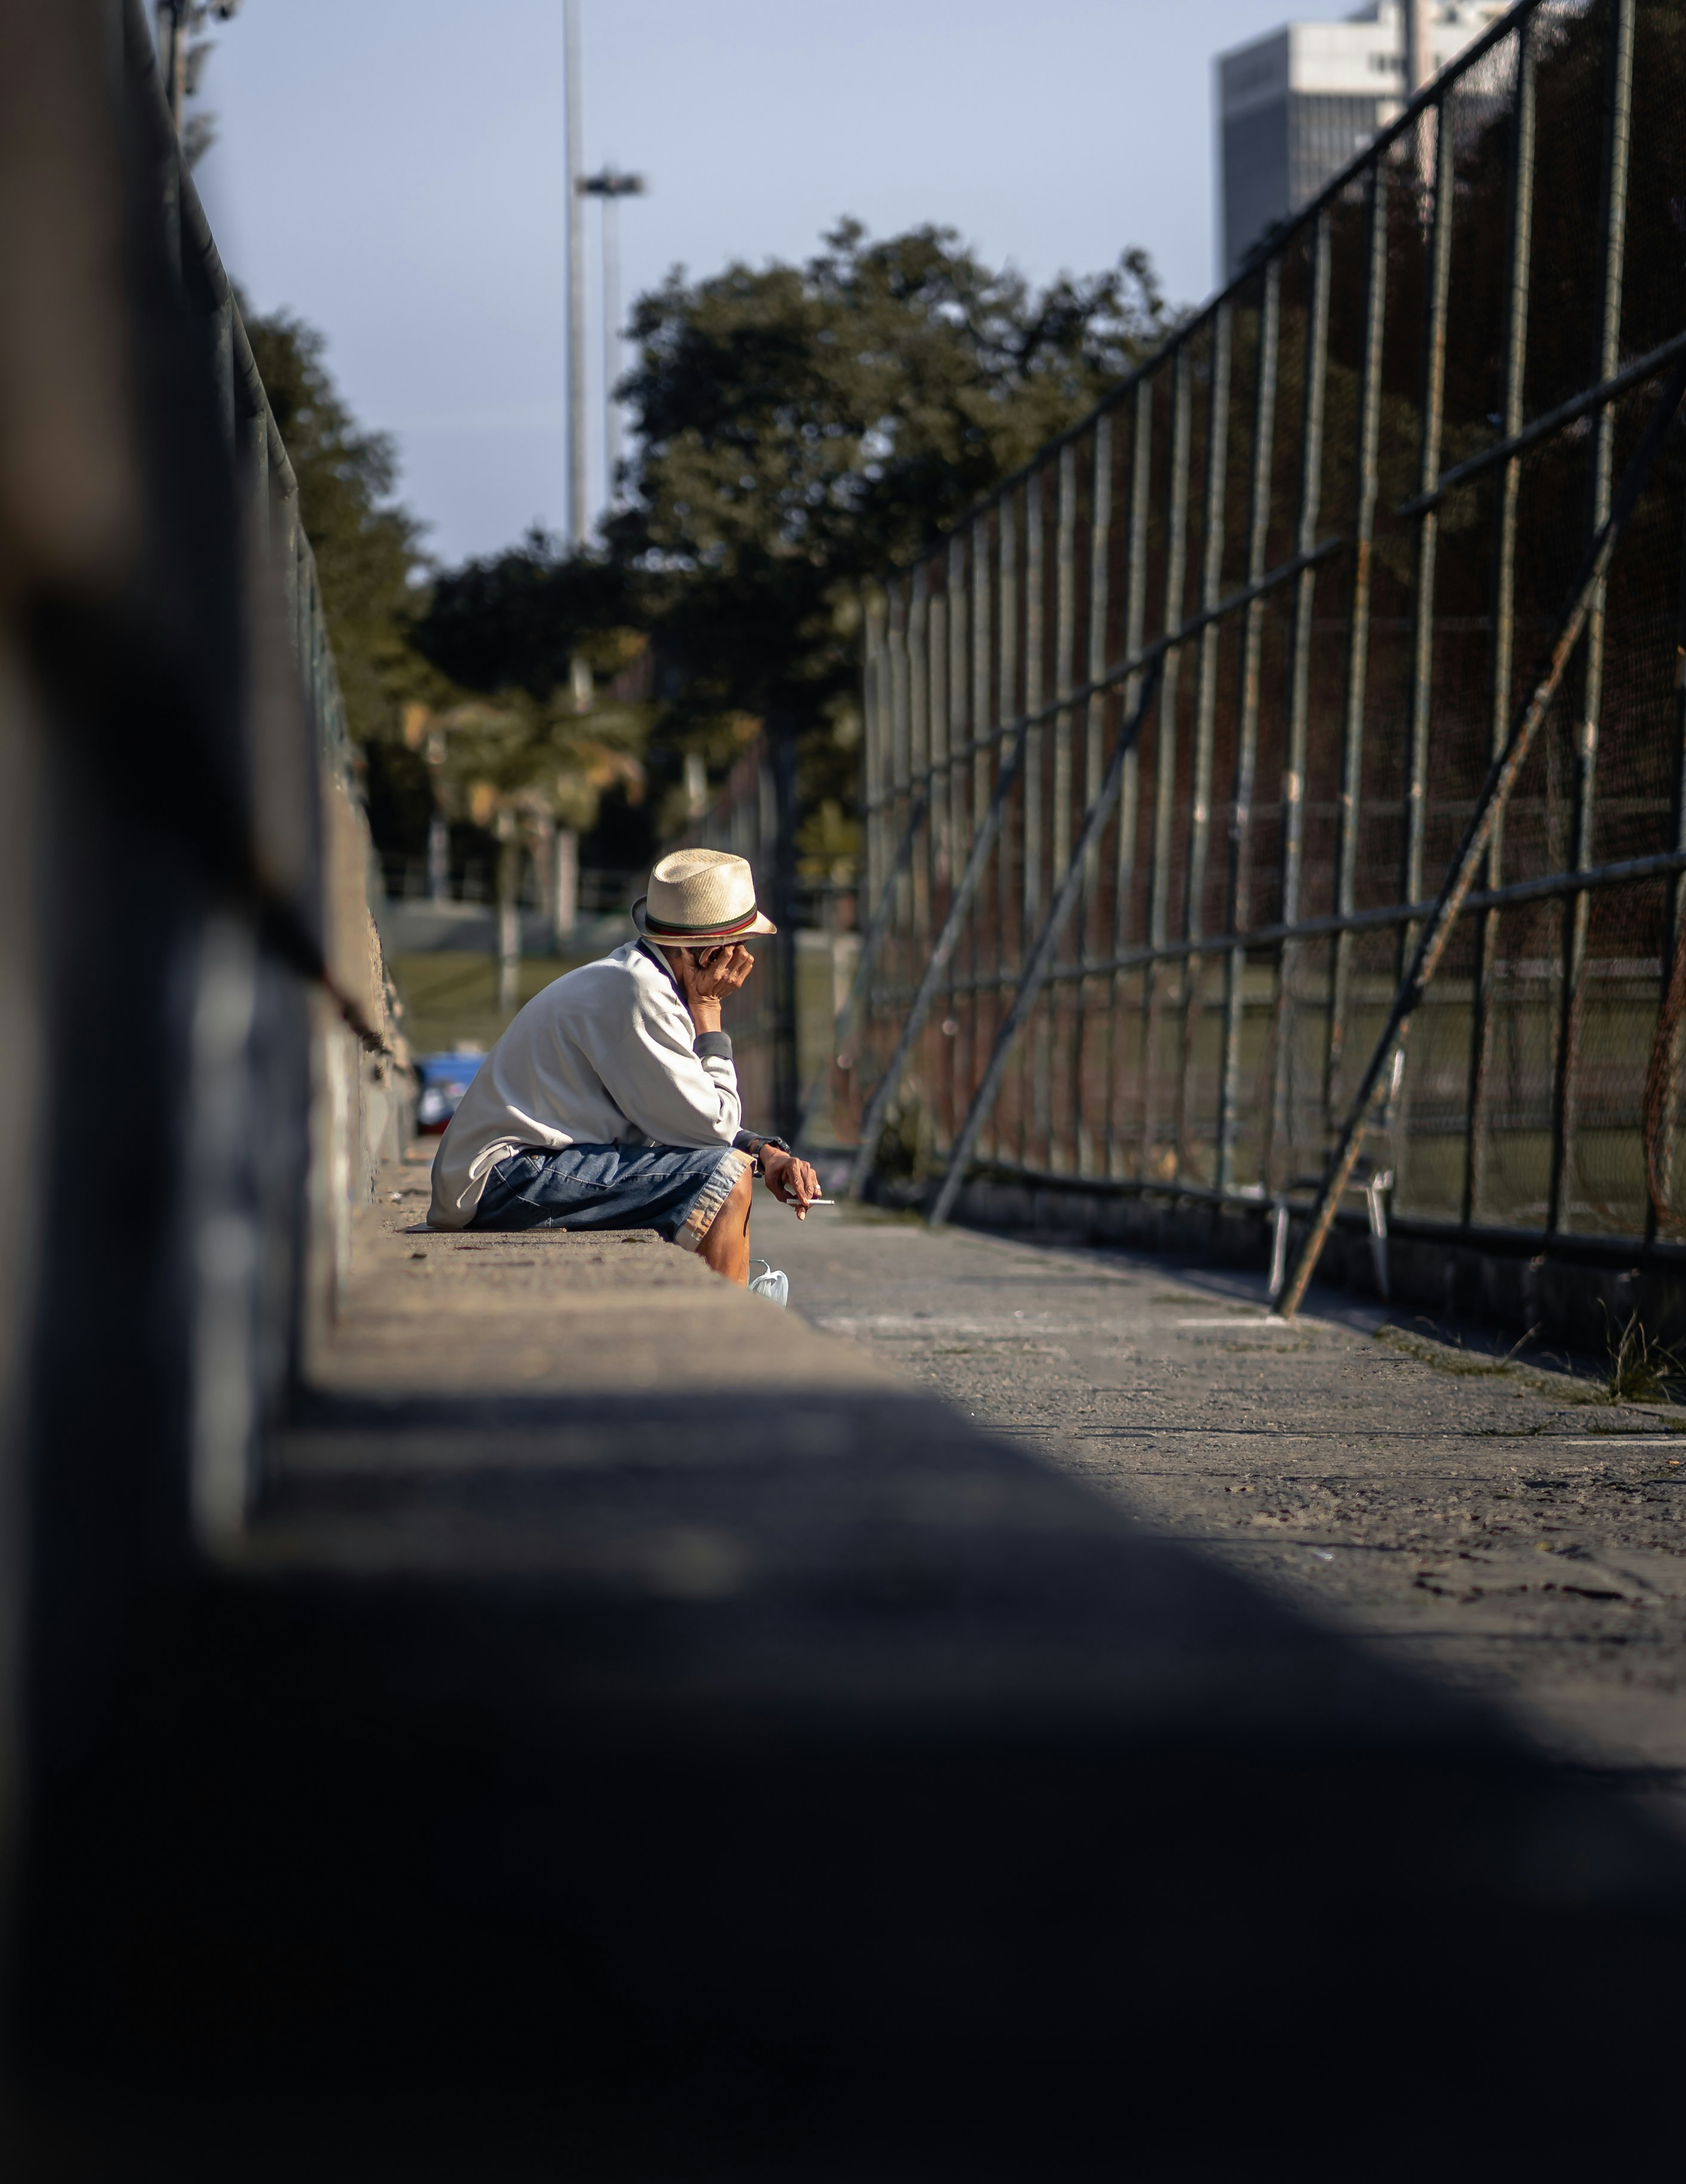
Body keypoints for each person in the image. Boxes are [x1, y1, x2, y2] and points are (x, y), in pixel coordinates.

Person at [426, 848, 820, 1291]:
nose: (742, 963)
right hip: (504, 1179)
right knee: (723, 1179)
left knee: (720, 1171)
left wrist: (766, 1152)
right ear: (712, 953)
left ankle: (716, 1311)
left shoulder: (643, 980)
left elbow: (682, 1115)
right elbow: (711, 1129)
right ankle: (727, 1330)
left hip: (514, 1172)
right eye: (739, 948)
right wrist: (710, 1012)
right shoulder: (641, 994)